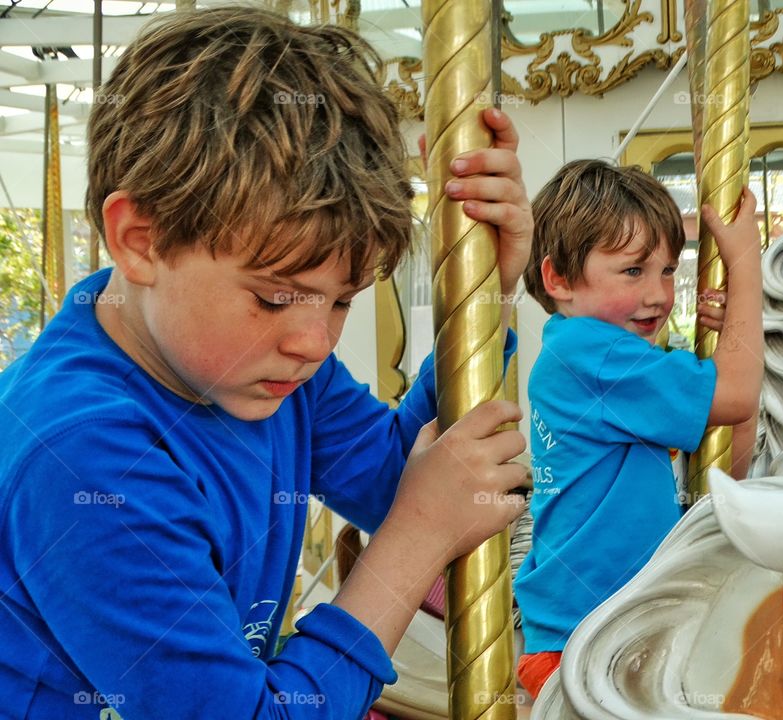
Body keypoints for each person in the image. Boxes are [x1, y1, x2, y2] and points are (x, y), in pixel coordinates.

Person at [0, 8, 533, 719]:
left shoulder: (267, 373)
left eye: (341, 300)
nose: (315, 343)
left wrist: (487, 292)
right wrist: (416, 542)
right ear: (140, 240)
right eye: (275, 297)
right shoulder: (84, 451)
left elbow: (405, 478)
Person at [513, 159, 762, 698]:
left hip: (620, 619)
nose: (659, 294)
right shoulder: (595, 356)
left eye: (669, 270)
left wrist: (731, 344)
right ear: (557, 277)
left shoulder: (597, 357)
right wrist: (745, 264)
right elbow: (738, 393)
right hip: (590, 635)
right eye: (634, 271)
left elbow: (728, 462)